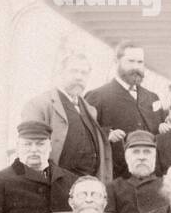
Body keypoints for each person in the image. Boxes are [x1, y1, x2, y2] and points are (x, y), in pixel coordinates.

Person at [20, 51, 111, 180]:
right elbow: (30, 151)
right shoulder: (39, 104)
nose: (79, 77)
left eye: (84, 73)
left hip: (87, 187)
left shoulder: (90, 110)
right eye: (74, 71)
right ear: (61, 73)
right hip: (55, 184)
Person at [84, 42, 167, 177]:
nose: (136, 67)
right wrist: (106, 135)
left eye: (140, 62)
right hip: (115, 177)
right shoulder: (96, 96)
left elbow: (160, 133)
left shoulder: (152, 97)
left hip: (150, 176)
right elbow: (85, 135)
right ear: (117, 62)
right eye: (130, 61)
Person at [105, 131, 167, 213]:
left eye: (147, 152)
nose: (141, 157)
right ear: (127, 158)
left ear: (154, 157)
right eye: (136, 152)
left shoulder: (167, 185)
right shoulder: (113, 188)